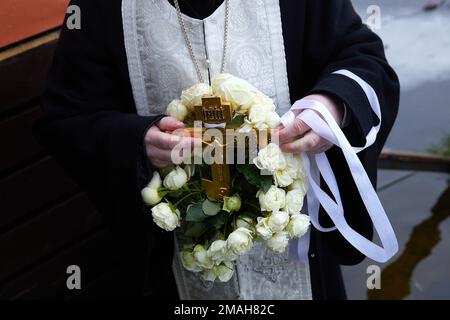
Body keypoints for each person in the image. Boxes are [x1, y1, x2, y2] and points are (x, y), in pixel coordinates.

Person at [35, 0, 399, 300]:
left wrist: (329, 107)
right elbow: (67, 118)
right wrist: (138, 141)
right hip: (171, 272)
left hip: (299, 257)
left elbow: (363, 59)